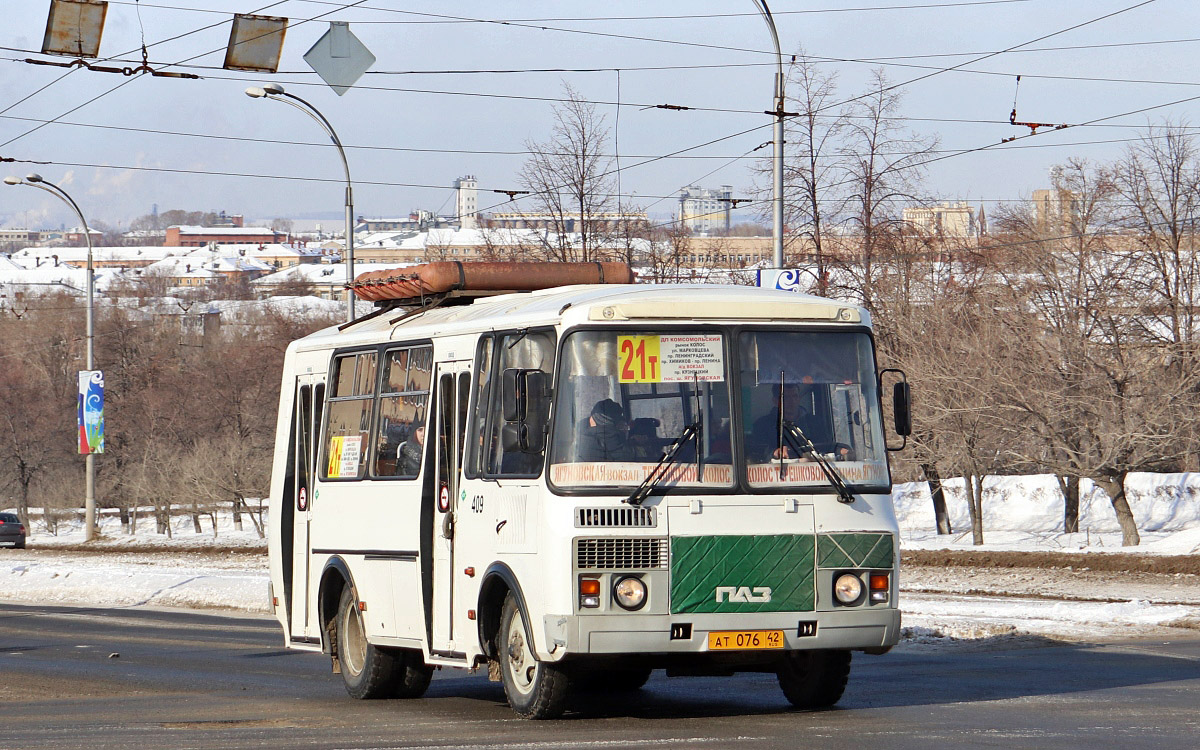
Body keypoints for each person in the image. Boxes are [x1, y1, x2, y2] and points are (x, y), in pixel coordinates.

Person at [746, 383, 823, 462]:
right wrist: (774, 453)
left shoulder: (815, 423)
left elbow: (826, 447)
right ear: (775, 401)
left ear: (799, 398)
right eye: (786, 397)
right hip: (778, 471)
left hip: (814, 470)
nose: (791, 401)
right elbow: (755, 453)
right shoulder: (762, 426)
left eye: (795, 396)